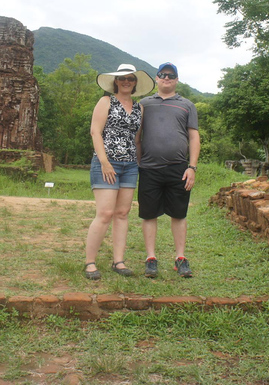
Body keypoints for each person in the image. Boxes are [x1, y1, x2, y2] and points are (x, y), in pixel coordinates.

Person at [83, 64, 154, 280]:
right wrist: (105, 162)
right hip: (107, 162)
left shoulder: (140, 108)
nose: (126, 81)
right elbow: (95, 132)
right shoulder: (106, 101)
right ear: (116, 81)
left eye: (130, 79)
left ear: (135, 83)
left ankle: (119, 261)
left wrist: (139, 164)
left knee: (122, 214)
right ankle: (90, 262)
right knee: (104, 213)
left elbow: (136, 139)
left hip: (130, 165)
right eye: (122, 78)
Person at [138, 62, 200, 278]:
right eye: (162, 74)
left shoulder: (187, 105)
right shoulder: (144, 104)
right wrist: (139, 163)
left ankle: (180, 258)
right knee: (148, 214)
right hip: (149, 168)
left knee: (179, 214)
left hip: (179, 168)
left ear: (176, 80)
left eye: (171, 75)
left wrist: (192, 167)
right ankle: (150, 258)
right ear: (156, 78)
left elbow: (193, 136)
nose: (166, 78)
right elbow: (137, 138)